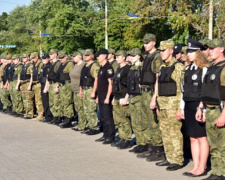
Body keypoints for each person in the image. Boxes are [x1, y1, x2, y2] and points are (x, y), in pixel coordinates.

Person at [196, 39, 225, 180]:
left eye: (213, 48)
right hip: (210, 109)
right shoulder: (211, 67)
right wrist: (201, 108)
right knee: (213, 144)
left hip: (220, 110)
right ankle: (217, 171)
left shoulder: (224, 68)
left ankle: (222, 173)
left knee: (222, 145)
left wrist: (223, 115)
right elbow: (206, 90)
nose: (210, 51)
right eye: (209, 48)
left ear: (222, 49)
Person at [180, 39, 209, 177]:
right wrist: (181, 108)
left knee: (202, 137)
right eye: (188, 52)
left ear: (198, 53)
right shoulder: (188, 69)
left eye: (192, 52)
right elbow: (183, 91)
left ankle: (202, 168)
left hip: (199, 105)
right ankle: (195, 166)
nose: (189, 54)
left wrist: (201, 108)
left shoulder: (204, 69)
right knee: (192, 137)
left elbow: (205, 90)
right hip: (188, 105)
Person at [155, 40, 184, 171]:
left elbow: (182, 89)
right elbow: (158, 86)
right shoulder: (162, 67)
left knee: (174, 133)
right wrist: (156, 103)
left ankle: (177, 160)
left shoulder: (178, 67)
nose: (162, 53)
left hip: (173, 105)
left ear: (171, 51)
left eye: (164, 50)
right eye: (160, 51)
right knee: (165, 132)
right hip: (163, 105)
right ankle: (169, 157)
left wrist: (180, 108)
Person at [135, 33, 163, 159]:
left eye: (147, 42)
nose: (145, 45)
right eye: (144, 43)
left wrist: (154, 97)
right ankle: (151, 146)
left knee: (154, 122)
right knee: (147, 121)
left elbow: (158, 77)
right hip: (144, 91)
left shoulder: (157, 57)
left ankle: (158, 150)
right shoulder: (147, 57)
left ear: (153, 42)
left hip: (151, 91)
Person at [111, 50, 132, 149]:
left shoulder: (127, 69)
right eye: (116, 57)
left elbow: (129, 85)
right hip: (117, 96)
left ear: (124, 57)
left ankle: (126, 139)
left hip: (123, 96)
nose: (117, 58)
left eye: (119, 56)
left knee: (124, 119)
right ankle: (122, 137)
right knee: (118, 118)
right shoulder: (118, 68)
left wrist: (126, 98)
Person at [95, 48, 115, 144]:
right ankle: (105, 134)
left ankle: (110, 137)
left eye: (99, 56)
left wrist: (107, 97)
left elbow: (110, 83)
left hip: (106, 97)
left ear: (104, 56)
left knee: (107, 117)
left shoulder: (108, 68)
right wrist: (98, 96)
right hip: (101, 96)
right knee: (102, 117)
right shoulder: (101, 68)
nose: (97, 57)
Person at [80, 49, 99, 135]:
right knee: (86, 109)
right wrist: (81, 90)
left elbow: (96, 79)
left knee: (91, 109)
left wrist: (94, 92)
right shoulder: (85, 66)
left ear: (92, 55)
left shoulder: (94, 66)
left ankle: (94, 127)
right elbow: (82, 80)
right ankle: (90, 126)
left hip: (90, 89)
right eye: (84, 55)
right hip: (85, 89)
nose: (85, 56)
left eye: (87, 55)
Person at [54, 50, 74, 128]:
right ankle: (66, 118)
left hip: (67, 85)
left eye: (62, 58)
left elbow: (72, 75)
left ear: (66, 57)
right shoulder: (62, 64)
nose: (60, 59)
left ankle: (69, 119)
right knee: (63, 102)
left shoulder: (69, 64)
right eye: (59, 58)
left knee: (67, 102)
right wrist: (58, 85)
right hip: (62, 85)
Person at [69, 51, 86, 131]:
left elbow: (82, 79)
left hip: (80, 89)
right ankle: (80, 123)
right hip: (74, 89)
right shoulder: (76, 65)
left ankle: (83, 125)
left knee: (82, 108)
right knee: (78, 108)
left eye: (75, 56)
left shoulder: (83, 65)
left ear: (79, 57)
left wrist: (81, 90)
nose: (73, 58)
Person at [47, 49, 62, 125]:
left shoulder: (58, 63)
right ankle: (54, 116)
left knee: (56, 102)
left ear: (56, 54)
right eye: (50, 54)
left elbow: (58, 75)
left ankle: (58, 117)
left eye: (52, 54)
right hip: (51, 84)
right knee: (52, 102)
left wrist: (58, 85)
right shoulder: (52, 63)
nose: (50, 55)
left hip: (56, 83)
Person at [39, 53, 53, 123]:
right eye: (43, 58)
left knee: (47, 101)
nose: (43, 60)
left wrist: (46, 87)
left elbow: (48, 77)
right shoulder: (43, 66)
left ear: (48, 59)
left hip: (46, 85)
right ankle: (46, 116)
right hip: (42, 84)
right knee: (44, 102)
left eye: (45, 58)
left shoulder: (49, 66)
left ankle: (49, 117)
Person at [19, 53, 34, 119]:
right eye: (22, 58)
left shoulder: (30, 65)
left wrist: (30, 85)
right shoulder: (23, 66)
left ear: (28, 58)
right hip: (23, 83)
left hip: (27, 83)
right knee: (24, 99)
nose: (23, 59)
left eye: (24, 58)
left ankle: (30, 113)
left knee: (28, 99)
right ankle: (27, 112)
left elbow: (32, 76)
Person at [30, 52, 44, 121]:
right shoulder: (34, 64)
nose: (32, 59)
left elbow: (40, 74)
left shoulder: (40, 64)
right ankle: (39, 113)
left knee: (39, 100)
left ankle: (40, 114)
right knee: (36, 100)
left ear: (36, 57)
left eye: (33, 58)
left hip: (38, 83)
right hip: (35, 83)